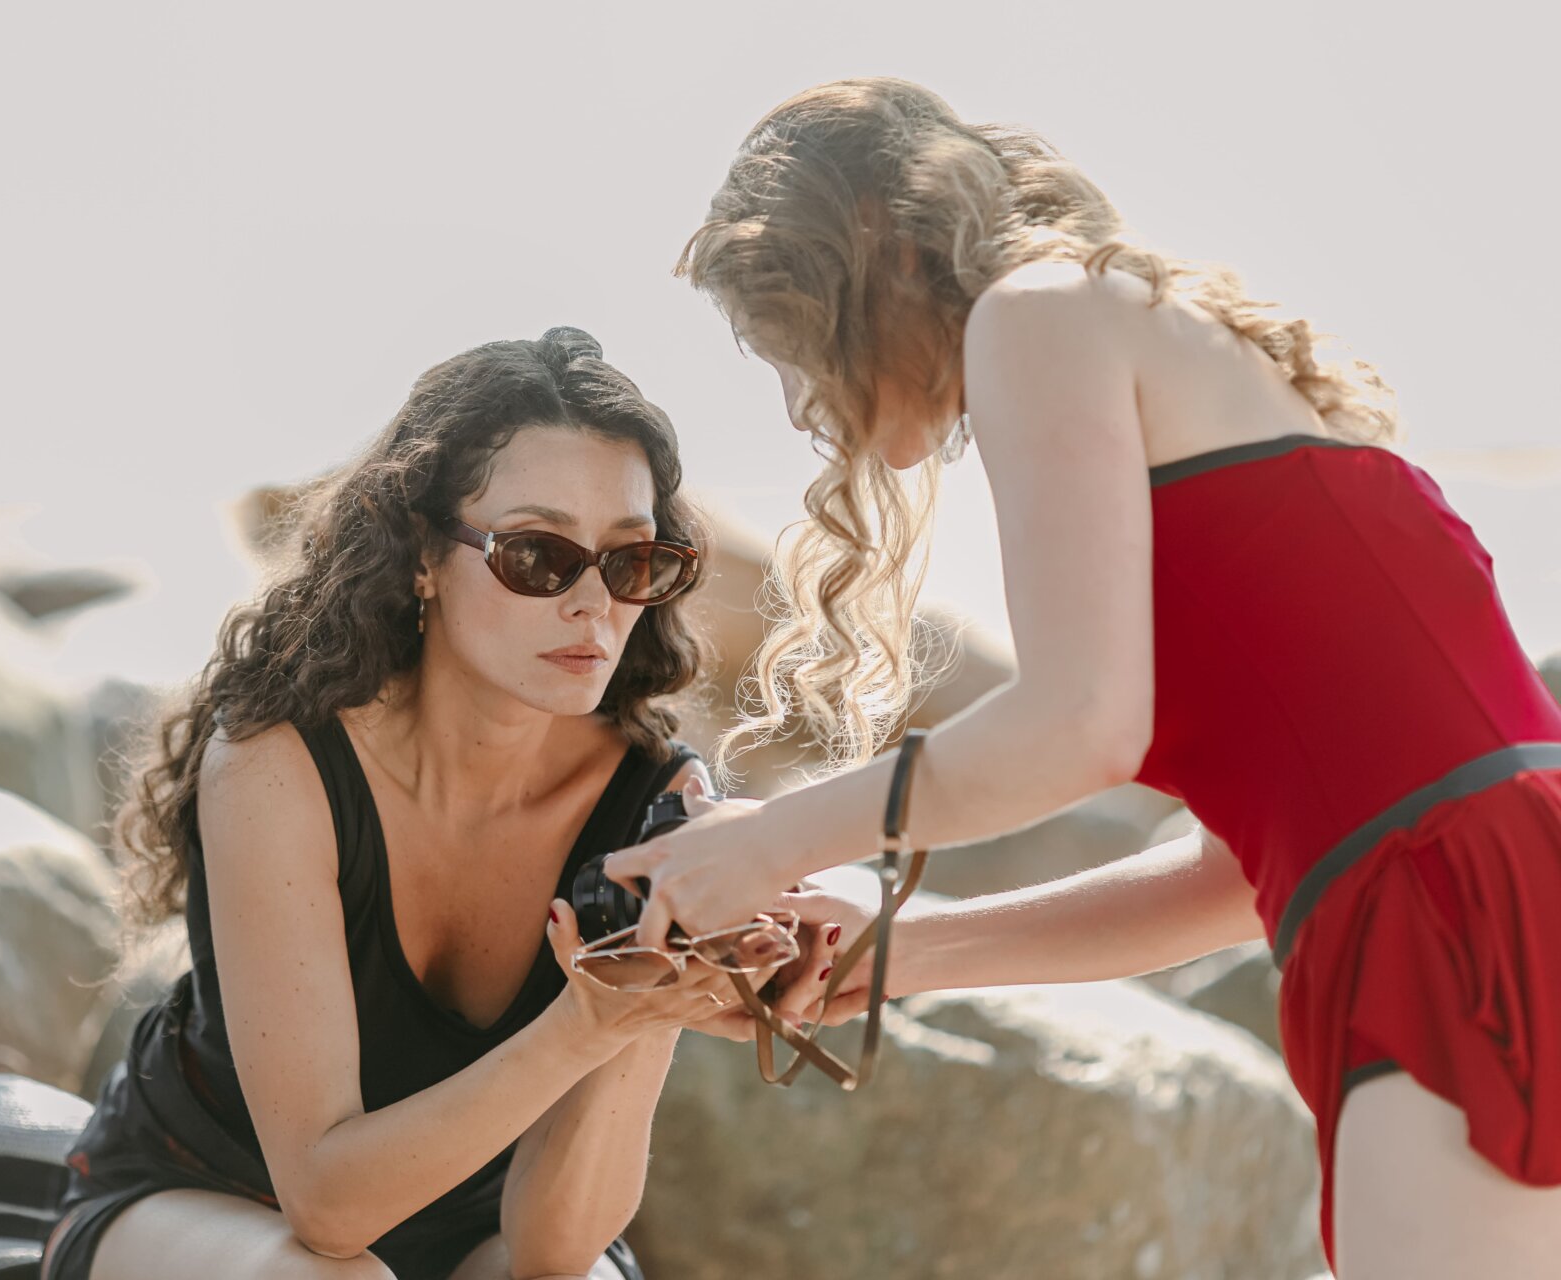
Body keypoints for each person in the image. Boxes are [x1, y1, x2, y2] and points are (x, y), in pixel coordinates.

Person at [606, 78, 1561, 1278]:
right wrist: (907, 945)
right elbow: (1237, 874)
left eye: (791, 337)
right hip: (1492, 890)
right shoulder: (1185, 351)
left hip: (1448, 927)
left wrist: (771, 839)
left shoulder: (1036, 312)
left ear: (877, 249)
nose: (803, 400)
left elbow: (1077, 724)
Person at [41, 328, 746, 1280]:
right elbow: (326, 1207)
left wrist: (645, 1005)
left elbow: (553, 1249)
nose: (593, 605)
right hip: (207, 1198)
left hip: (475, 1231)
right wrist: (582, 1026)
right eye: (538, 556)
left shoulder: (654, 802)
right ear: (422, 554)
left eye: (630, 560)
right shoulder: (281, 764)